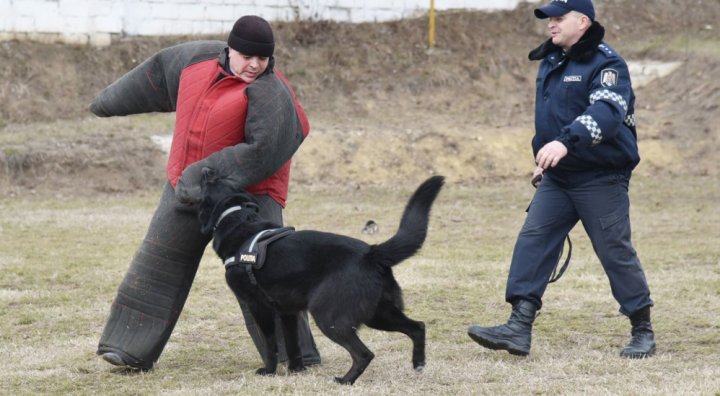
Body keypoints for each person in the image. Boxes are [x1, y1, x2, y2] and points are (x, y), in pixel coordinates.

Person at [91, 15, 321, 371]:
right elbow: (156, 74)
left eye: (262, 59)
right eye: (247, 56)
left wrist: (201, 173)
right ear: (230, 49)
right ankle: (128, 348)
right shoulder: (196, 60)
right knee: (157, 262)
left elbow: (263, 151)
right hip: (185, 184)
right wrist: (105, 102)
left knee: (261, 273)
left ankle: (296, 356)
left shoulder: (271, 92)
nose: (254, 65)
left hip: (251, 196)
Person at [467, 0, 656, 359]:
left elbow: (607, 113)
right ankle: (518, 327)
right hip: (560, 177)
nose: (551, 25)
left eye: (559, 18)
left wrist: (564, 143)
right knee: (533, 242)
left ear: (583, 21)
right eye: (549, 19)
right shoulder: (554, 61)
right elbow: (552, 119)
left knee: (614, 252)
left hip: (601, 176)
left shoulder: (607, 64)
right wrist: (544, 156)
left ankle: (642, 329)